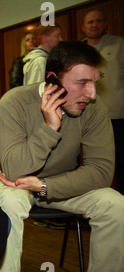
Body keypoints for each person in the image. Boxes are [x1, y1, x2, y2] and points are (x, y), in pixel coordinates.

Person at [0, 40, 124, 272]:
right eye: (82, 83)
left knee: (116, 205)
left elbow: (101, 172)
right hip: (13, 180)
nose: (92, 94)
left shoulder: (94, 110)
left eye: (95, 82)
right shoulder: (14, 101)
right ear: (53, 81)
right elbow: (16, 169)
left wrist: (43, 186)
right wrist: (50, 127)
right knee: (10, 203)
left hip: (59, 182)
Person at [81, 9, 123, 194]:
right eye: (90, 22)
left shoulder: (120, 44)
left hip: (117, 115)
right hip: (85, 116)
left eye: (98, 21)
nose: (94, 25)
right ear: (83, 27)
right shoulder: (78, 50)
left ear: (105, 24)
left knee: (120, 160)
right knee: (91, 162)